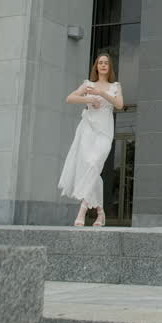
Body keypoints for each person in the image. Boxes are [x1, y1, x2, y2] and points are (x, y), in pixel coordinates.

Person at [58, 52, 124, 226]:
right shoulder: (88, 84)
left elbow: (119, 104)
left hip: (105, 130)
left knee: (95, 164)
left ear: (109, 67)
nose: (103, 65)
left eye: (106, 63)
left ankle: (82, 211)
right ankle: (100, 213)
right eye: (100, 62)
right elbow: (70, 98)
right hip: (88, 129)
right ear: (96, 66)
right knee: (91, 168)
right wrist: (89, 99)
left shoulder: (115, 86)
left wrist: (101, 93)